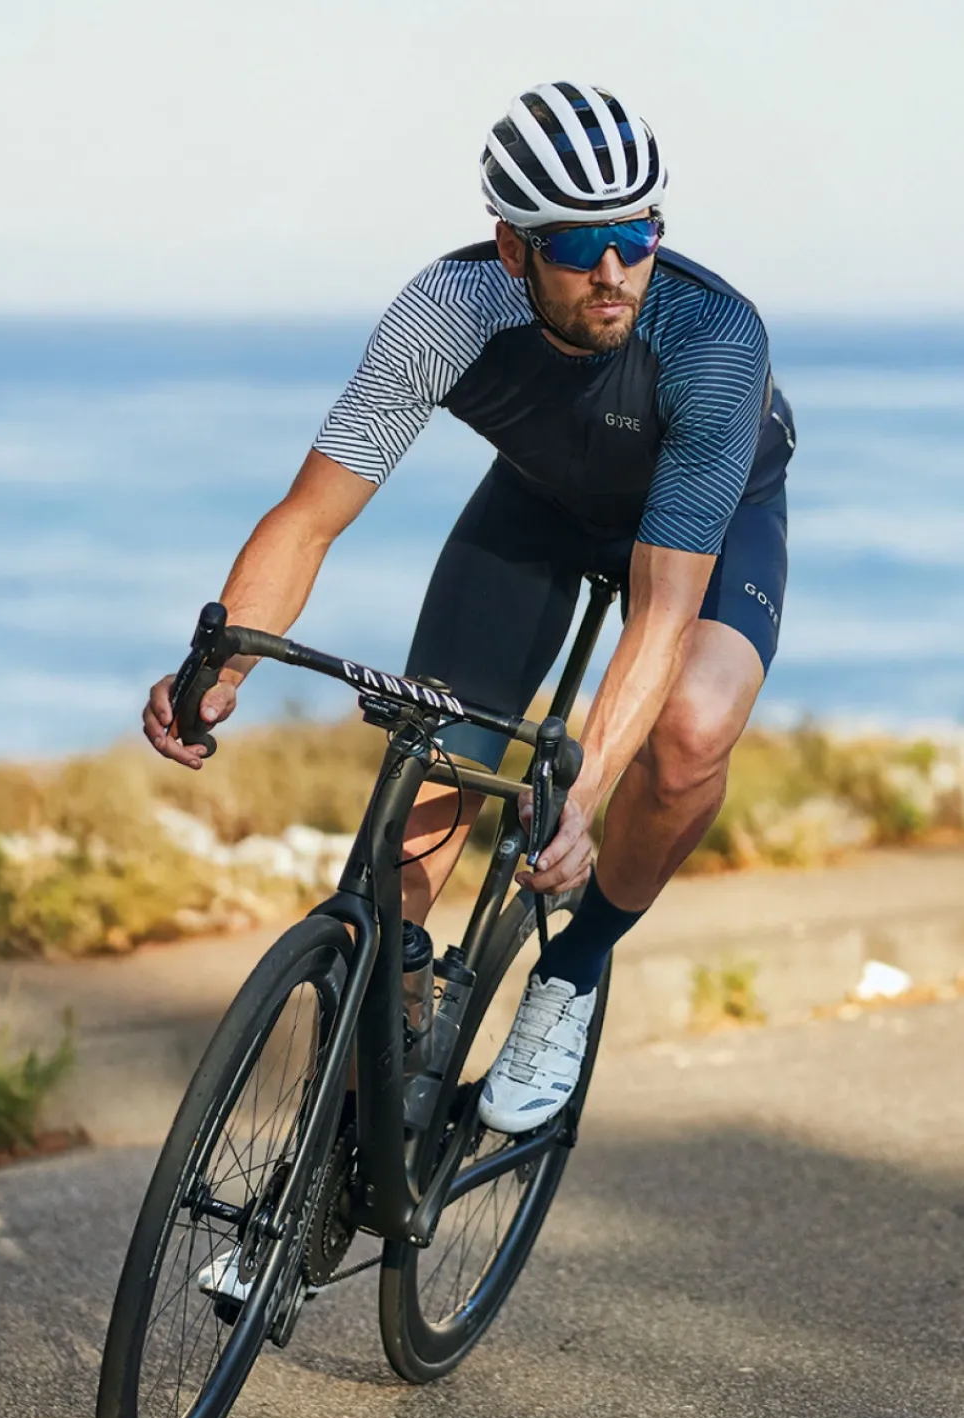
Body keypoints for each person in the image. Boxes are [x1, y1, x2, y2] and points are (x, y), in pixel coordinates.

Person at [144, 81, 795, 1139]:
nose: (613, 270)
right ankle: (350, 1126)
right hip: (536, 511)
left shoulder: (711, 337)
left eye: (636, 233)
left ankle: (573, 969)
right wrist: (218, 666)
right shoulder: (446, 312)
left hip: (706, 530)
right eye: (577, 243)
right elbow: (308, 517)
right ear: (510, 249)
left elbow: (659, 614)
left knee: (687, 734)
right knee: (423, 791)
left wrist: (583, 796)